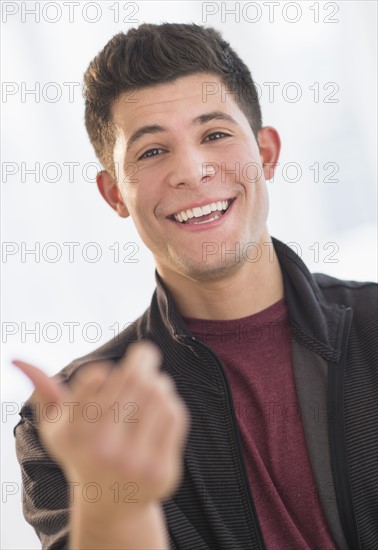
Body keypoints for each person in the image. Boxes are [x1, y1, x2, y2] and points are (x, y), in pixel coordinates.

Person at [14, 23, 377, 550]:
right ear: (115, 194)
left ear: (267, 153)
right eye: (151, 152)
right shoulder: (74, 422)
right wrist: (115, 503)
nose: (192, 170)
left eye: (214, 135)